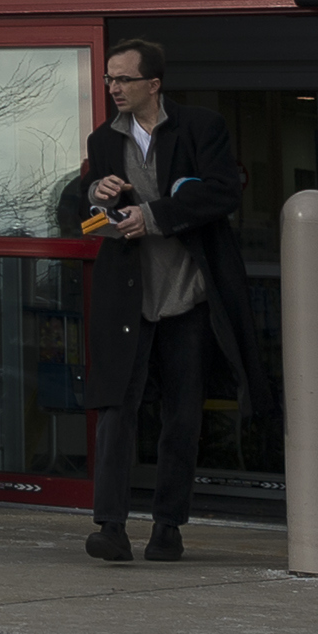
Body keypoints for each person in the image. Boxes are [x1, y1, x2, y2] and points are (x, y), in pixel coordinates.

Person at [73, 37, 256, 562]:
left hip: (188, 296)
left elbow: (223, 192)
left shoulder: (201, 127)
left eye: (124, 79)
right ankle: (109, 526)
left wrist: (150, 216)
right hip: (128, 298)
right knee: (116, 408)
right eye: (110, 79)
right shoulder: (103, 140)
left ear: (153, 83)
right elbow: (80, 208)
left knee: (182, 415)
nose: (114, 89)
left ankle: (168, 527)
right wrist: (97, 197)